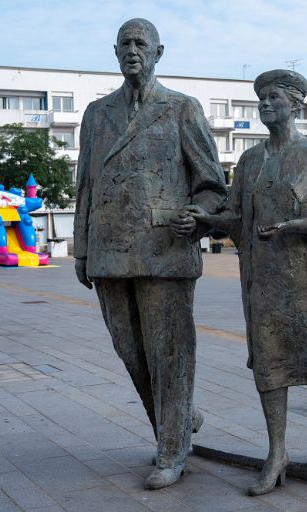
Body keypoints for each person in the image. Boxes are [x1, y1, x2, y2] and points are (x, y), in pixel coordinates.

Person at [186, 69, 307, 496]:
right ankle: (277, 453)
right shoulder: (249, 160)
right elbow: (233, 216)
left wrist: (288, 226)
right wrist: (205, 220)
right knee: (269, 362)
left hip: (305, 273)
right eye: (261, 98)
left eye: (273, 98)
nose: (265, 104)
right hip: (261, 277)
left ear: (295, 104)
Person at [72, 18, 227, 490]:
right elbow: (86, 187)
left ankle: (172, 446)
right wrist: (81, 249)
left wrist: (198, 214)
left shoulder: (182, 109)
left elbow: (211, 185)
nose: (132, 50)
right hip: (109, 250)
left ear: (160, 51)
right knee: (130, 351)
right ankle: (180, 419)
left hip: (164, 249)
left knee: (170, 353)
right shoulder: (97, 114)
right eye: (124, 44)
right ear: (114, 51)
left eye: (141, 43)